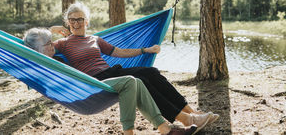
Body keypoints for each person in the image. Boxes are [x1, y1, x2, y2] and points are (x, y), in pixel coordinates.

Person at [49, 2, 219, 133]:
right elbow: (38, 48)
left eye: (79, 19)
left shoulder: (95, 39)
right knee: (141, 80)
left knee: (151, 72)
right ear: (68, 22)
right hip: (96, 80)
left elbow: (120, 52)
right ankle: (184, 119)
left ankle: (192, 113)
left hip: (112, 71)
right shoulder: (63, 43)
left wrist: (145, 50)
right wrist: (51, 30)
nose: (76, 23)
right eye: (72, 20)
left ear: (86, 22)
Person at [24, 28, 198, 135]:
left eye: (51, 41)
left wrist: (145, 50)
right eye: (47, 43)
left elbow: (77, 41)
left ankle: (165, 129)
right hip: (85, 93)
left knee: (137, 81)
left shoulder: (57, 57)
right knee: (131, 81)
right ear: (38, 50)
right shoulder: (45, 64)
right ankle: (130, 132)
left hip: (89, 86)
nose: (52, 43)